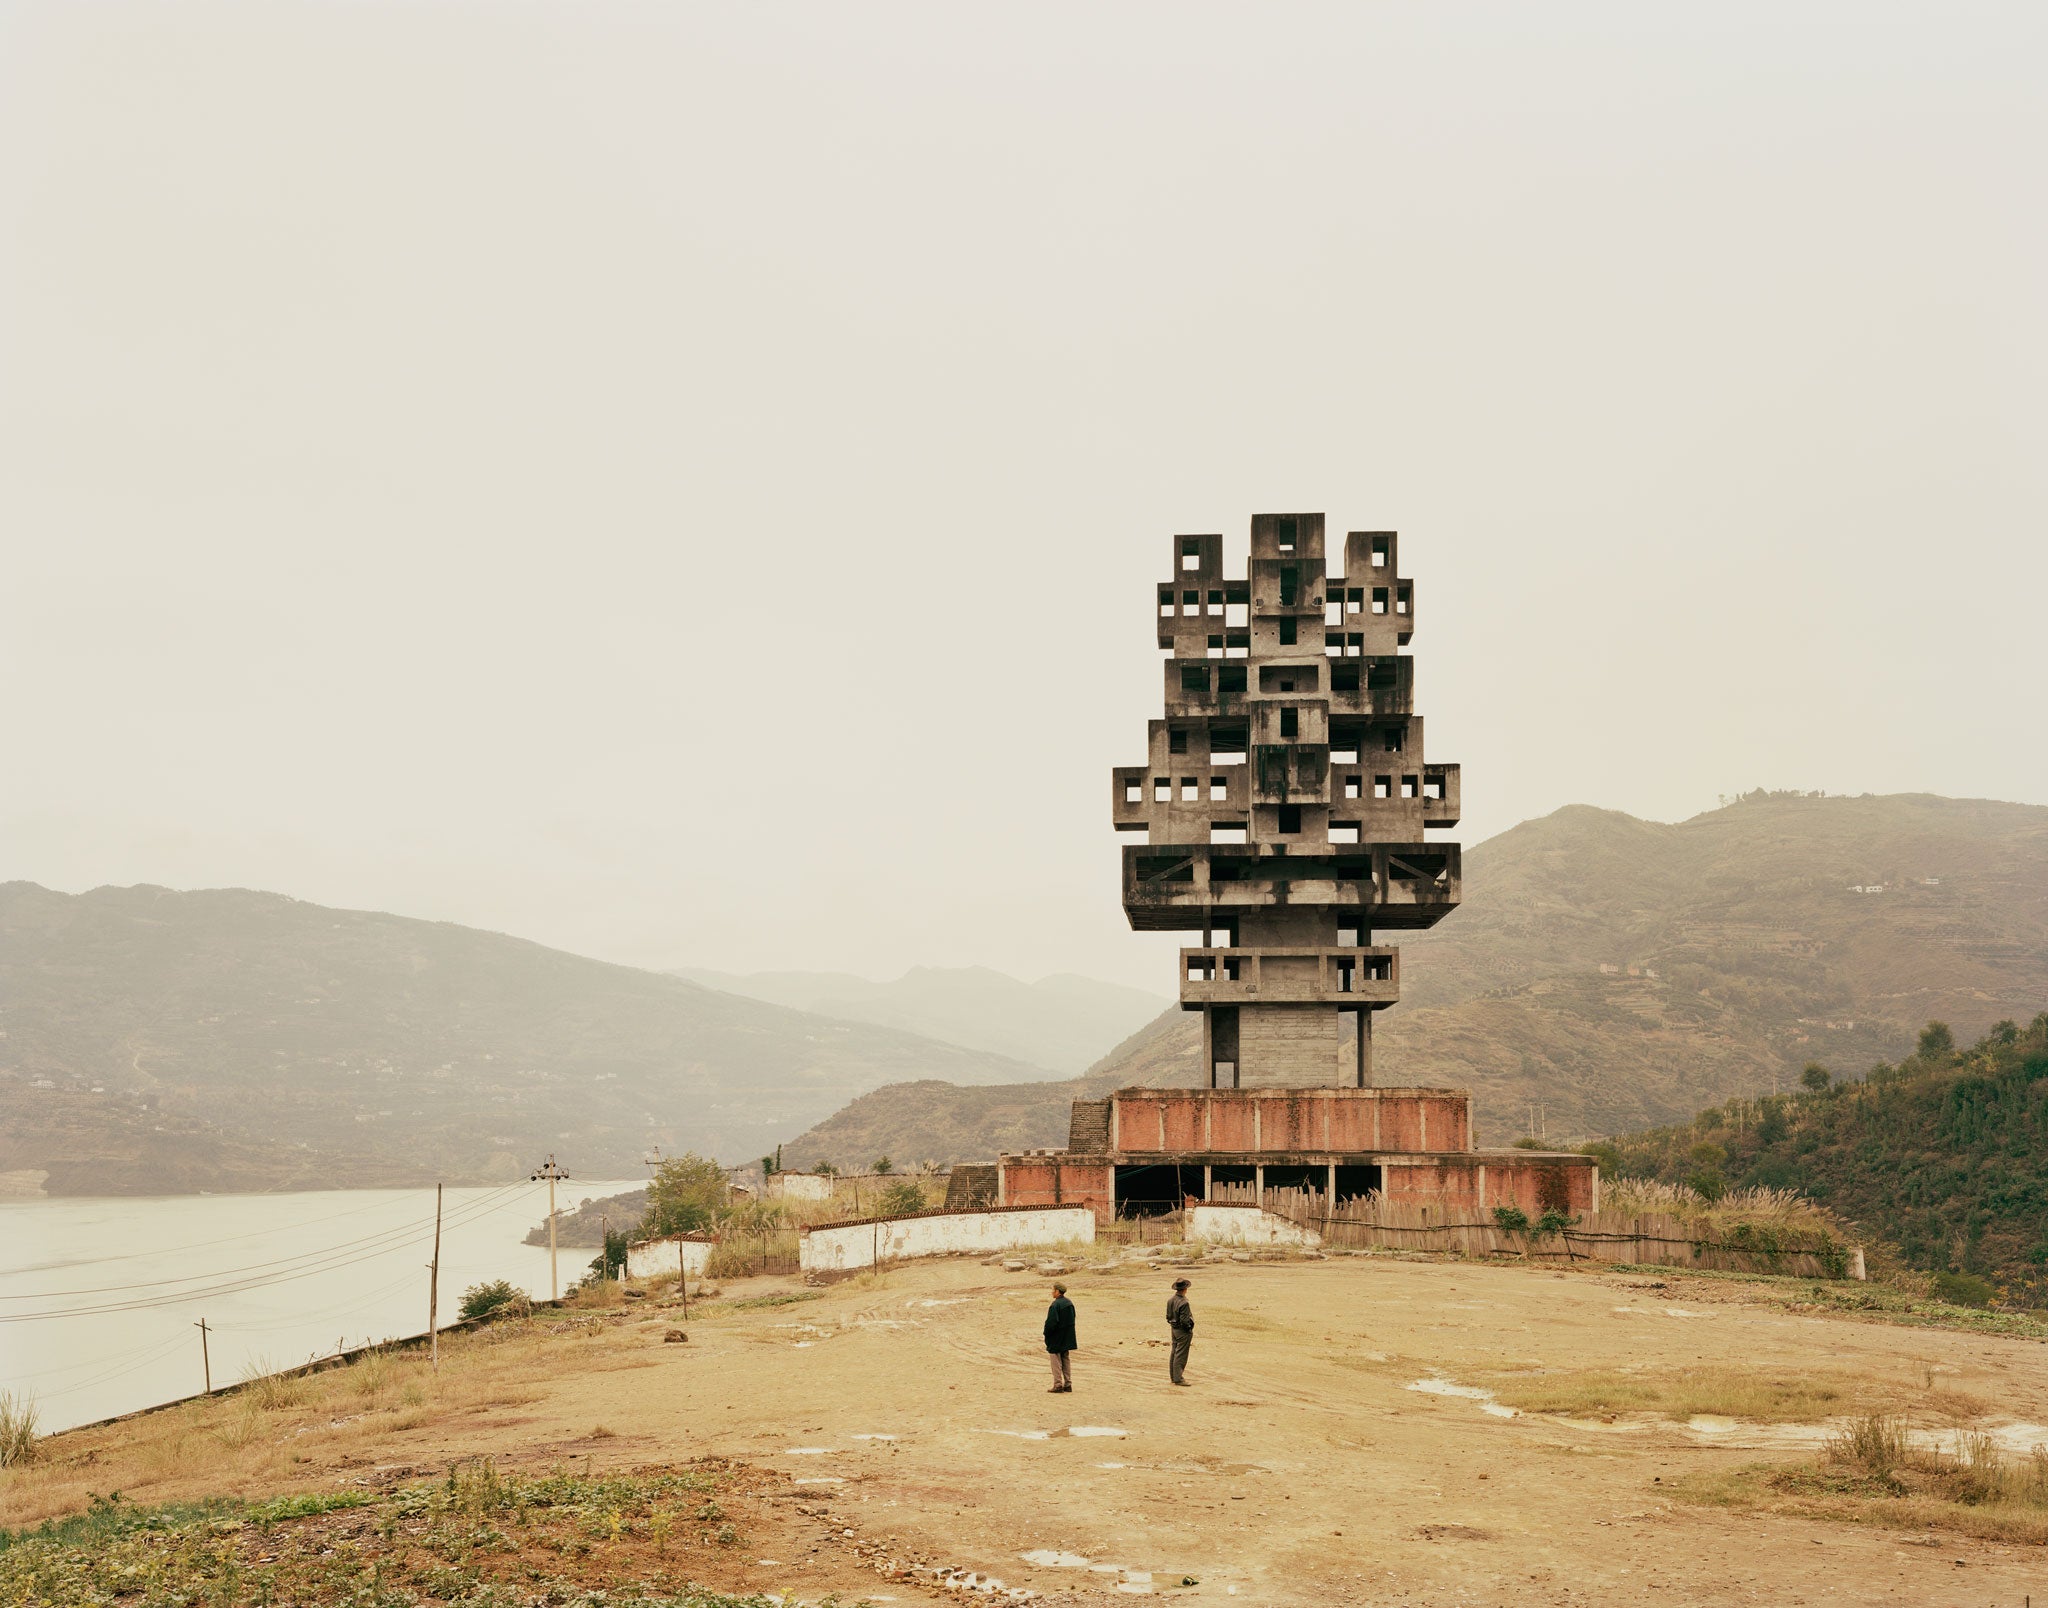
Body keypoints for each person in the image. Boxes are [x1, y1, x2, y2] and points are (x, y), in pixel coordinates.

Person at [1043, 1280, 1077, 1392]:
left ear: (1057, 1291)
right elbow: (1073, 1319)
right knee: (1065, 1359)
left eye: (1053, 1290)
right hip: (1067, 1337)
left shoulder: (1055, 1305)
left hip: (1056, 1337)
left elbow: (1051, 1323)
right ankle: (1068, 1384)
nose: (1052, 1292)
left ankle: (1058, 1385)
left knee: (1056, 1361)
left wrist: (1046, 1334)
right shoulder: (1069, 1303)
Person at [1166, 1276, 1194, 1385]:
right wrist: (1188, 1329)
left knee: (1174, 1352)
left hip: (1174, 1329)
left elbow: (1168, 1316)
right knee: (1181, 1354)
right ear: (1185, 1289)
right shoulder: (1184, 1303)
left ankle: (1174, 1377)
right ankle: (1178, 1378)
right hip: (1182, 1331)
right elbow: (1184, 1320)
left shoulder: (1170, 1300)